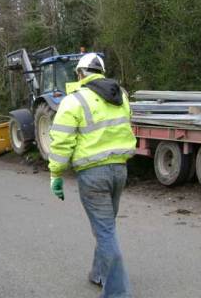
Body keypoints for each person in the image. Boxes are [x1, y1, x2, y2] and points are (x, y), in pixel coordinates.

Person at [48, 53, 136, 298]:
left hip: (93, 174)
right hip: (120, 170)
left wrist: (56, 173)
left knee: (105, 229)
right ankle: (99, 273)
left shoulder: (74, 100)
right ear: (101, 72)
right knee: (106, 226)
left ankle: (117, 293)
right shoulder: (122, 96)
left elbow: (61, 141)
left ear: (80, 74)